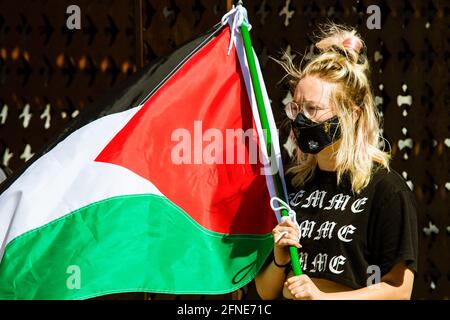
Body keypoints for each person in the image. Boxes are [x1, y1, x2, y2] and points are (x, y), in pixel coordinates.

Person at [255, 23, 418, 300]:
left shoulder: (386, 190)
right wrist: (280, 259)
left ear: (352, 114)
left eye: (313, 109)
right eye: (296, 107)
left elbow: (400, 290)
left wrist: (323, 298)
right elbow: (265, 292)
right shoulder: (290, 185)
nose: (300, 119)